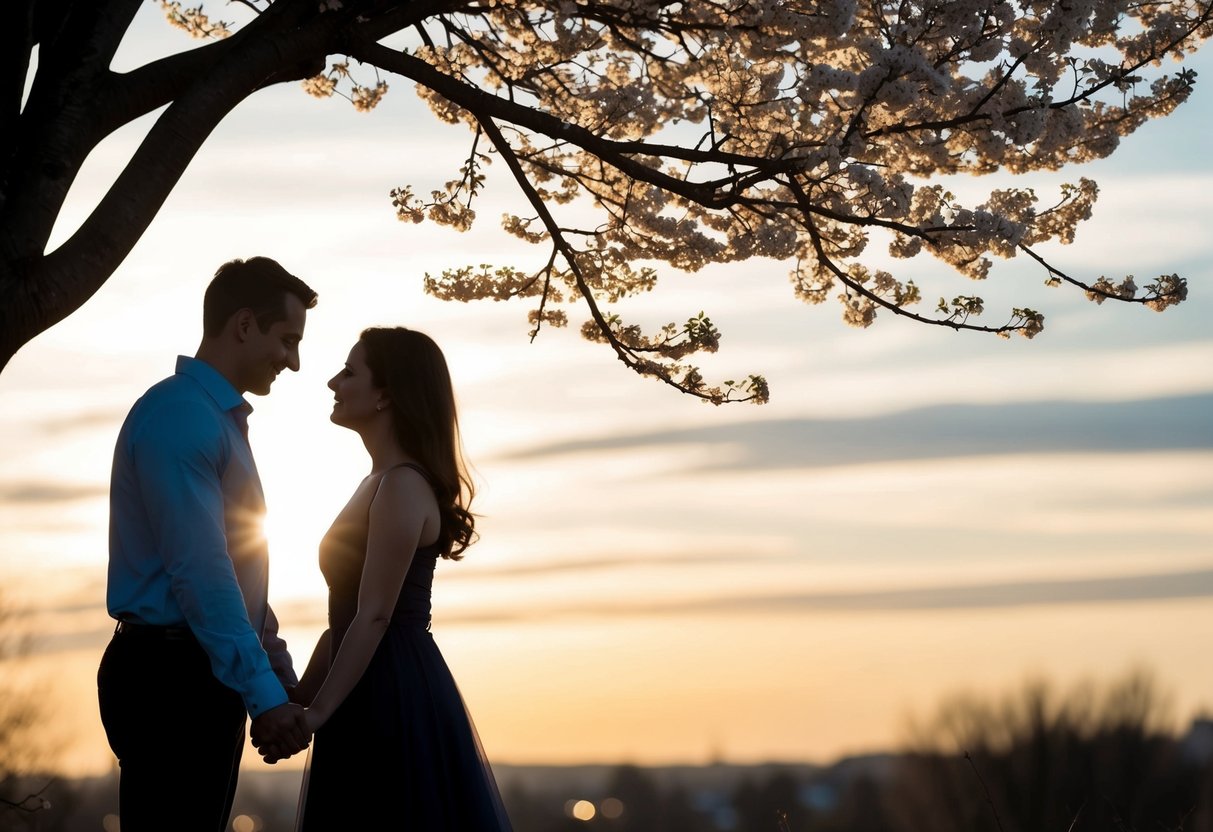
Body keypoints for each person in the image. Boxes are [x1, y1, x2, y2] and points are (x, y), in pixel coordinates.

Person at [98, 256, 318, 832]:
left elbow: (239, 574)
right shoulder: (181, 417)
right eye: (287, 340)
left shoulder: (217, 422)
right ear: (245, 324)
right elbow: (202, 575)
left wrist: (276, 675)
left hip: (195, 672)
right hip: (171, 680)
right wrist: (264, 696)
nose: (294, 362)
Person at [281, 326, 513, 831]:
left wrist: (317, 713)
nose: (332, 382)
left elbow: (375, 613)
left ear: (386, 393)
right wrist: (303, 696)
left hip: (388, 691)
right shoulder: (378, 482)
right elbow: (344, 616)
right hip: (360, 680)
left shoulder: (402, 485)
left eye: (349, 371)